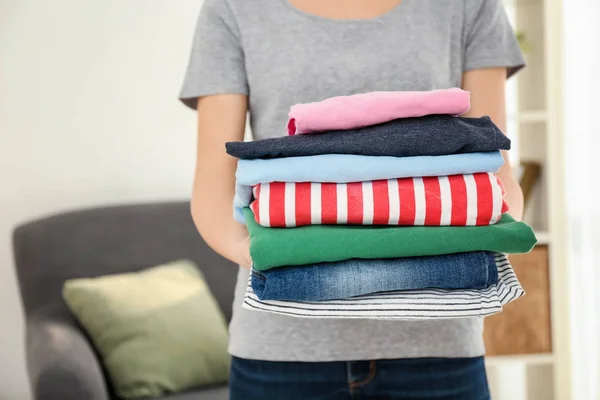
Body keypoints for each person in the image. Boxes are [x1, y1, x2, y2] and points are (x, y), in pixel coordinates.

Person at [180, 0, 525, 398]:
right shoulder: (233, 8)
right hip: (280, 352)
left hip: (439, 349)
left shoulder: (468, 5)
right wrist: (266, 254)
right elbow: (214, 182)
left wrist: (483, 239)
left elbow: (493, 169)